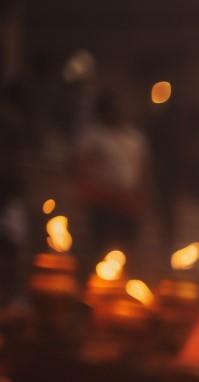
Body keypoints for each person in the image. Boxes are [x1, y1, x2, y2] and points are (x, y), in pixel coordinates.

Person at [73, 92, 150, 262]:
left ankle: (125, 285)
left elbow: (141, 171)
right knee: (98, 249)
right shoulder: (93, 137)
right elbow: (81, 168)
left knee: (127, 251)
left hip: (127, 203)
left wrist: (139, 198)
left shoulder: (135, 139)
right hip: (102, 202)